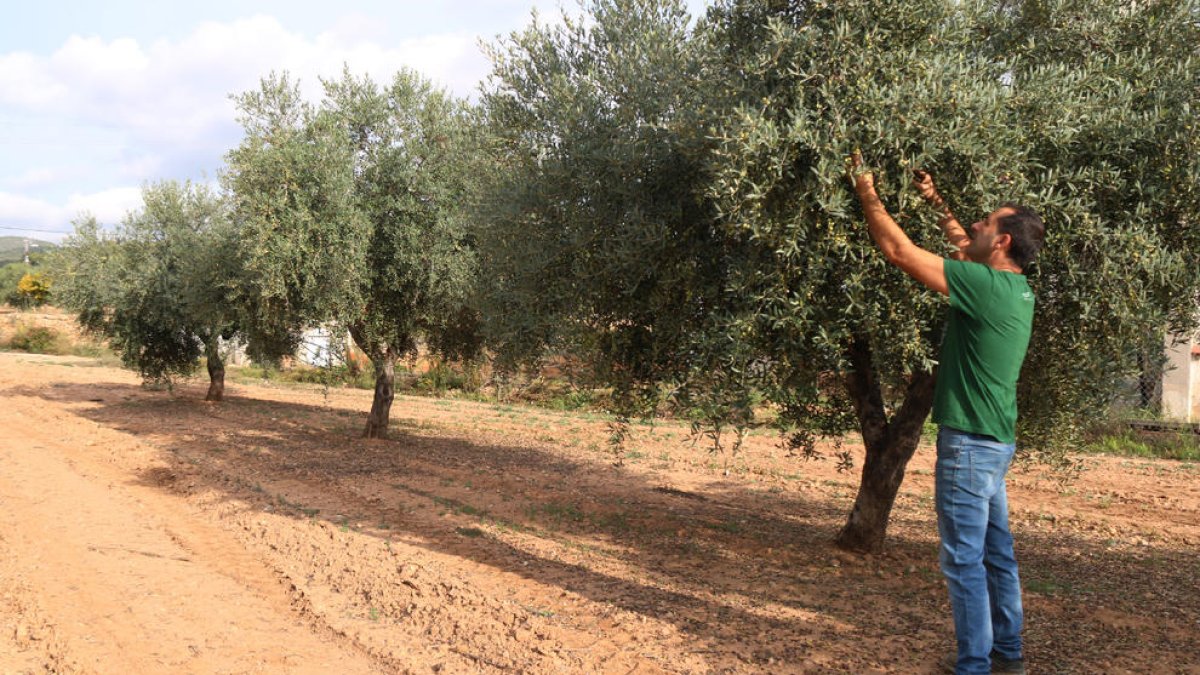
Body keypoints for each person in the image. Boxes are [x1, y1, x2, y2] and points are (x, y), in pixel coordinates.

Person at [850, 156, 1044, 675]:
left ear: (1002, 242)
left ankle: (974, 667)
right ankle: (1008, 658)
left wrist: (867, 191)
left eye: (987, 222)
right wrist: (934, 200)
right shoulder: (1013, 287)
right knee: (996, 555)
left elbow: (898, 251)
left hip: (970, 447)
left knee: (963, 562)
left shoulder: (985, 288)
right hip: (996, 444)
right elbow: (966, 244)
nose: (976, 226)